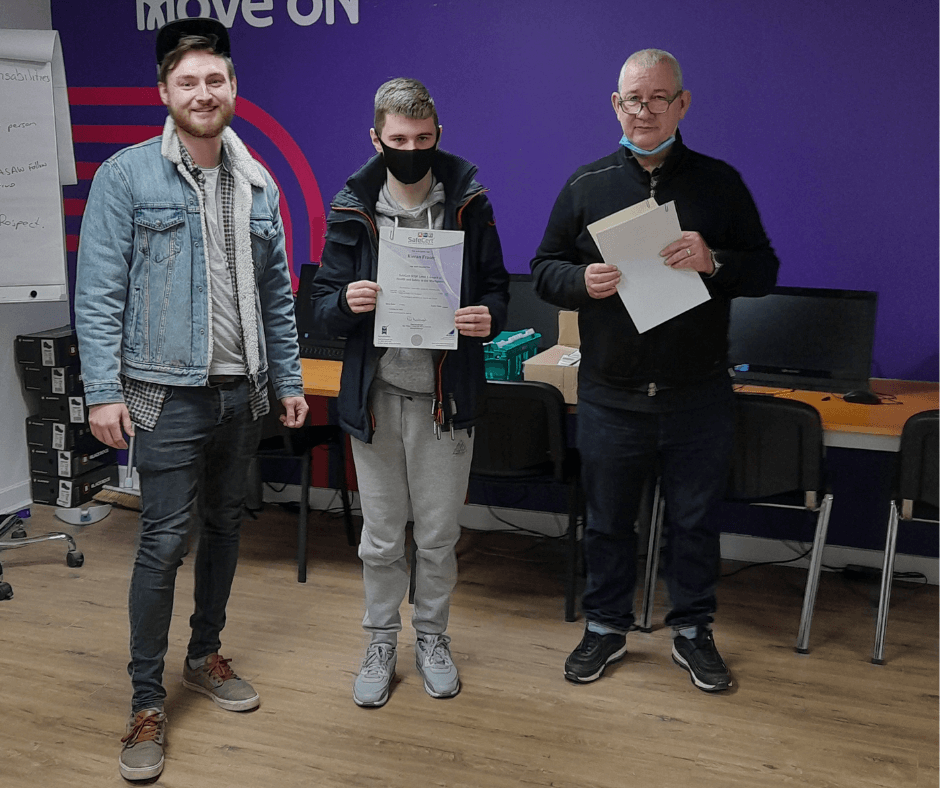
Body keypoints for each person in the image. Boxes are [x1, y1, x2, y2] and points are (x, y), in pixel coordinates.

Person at [74, 17, 308, 781]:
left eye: (215, 80)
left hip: (242, 392)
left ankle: (204, 654)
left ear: (233, 88)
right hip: (166, 394)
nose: (203, 93)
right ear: (165, 93)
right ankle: (146, 700)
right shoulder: (127, 175)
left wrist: (292, 380)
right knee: (162, 543)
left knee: (226, 529)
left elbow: (278, 295)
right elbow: (99, 293)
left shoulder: (260, 181)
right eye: (188, 82)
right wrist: (102, 393)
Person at [530, 49, 779, 692]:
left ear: (682, 104)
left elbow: (766, 269)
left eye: (657, 98)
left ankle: (692, 632)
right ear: (615, 106)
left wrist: (715, 260)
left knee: (695, 524)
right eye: (631, 100)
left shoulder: (719, 183)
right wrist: (581, 280)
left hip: (697, 395)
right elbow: (544, 269)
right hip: (611, 395)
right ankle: (606, 628)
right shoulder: (586, 185)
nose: (643, 111)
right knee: (609, 521)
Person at [311, 78, 509, 708]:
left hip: (443, 401)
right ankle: (378, 639)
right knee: (380, 535)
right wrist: (346, 300)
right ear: (377, 139)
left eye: (422, 139)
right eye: (398, 140)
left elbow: (497, 288)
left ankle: (432, 637)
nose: (411, 149)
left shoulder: (469, 201)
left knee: (438, 536)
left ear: (438, 136)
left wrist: (488, 317)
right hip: (377, 397)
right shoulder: (351, 206)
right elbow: (321, 309)